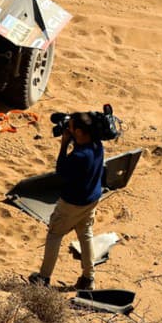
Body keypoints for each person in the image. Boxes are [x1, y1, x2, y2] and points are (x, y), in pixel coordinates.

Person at [29, 112, 104, 290]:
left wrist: (63, 145)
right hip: (91, 199)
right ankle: (88, 278)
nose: (67, 130)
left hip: (72, 204)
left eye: (70, 128)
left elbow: (61, 171)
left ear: (78, 132)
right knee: (85, 234)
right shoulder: (97, 144)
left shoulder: (79, 156)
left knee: (55, 234)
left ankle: (44, 278)